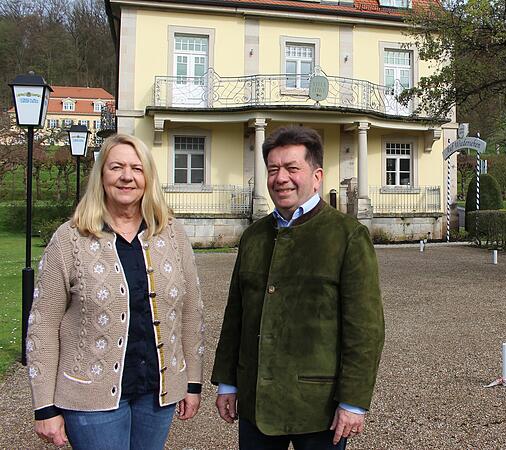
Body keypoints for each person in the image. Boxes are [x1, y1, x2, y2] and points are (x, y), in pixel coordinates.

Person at [27, 133, 205, 449]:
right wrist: (44, 406)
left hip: (156, 394)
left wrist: (191, 382)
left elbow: (191, 311)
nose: (127, 177)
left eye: (137, 169)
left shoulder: (172, 234)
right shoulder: (70, 240)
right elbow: (42, 327)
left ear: (148, 177)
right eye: (116, 167)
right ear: (101, 175)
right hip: (90, 396)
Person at [212, 126, 385, 450]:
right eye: (274, 169)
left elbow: (365, 328)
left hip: (319, 408)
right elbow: (236, 315)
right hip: (257, 402)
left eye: (292, 168)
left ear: (316, 176)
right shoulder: (254, 236)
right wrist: (227, 382)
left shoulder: (347, 236)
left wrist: (353, 401)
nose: (281, 178)